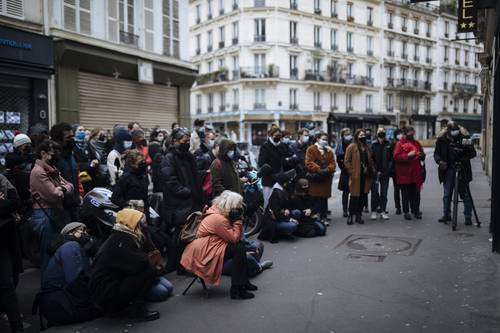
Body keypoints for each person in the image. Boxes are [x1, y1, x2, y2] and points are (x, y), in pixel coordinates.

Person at [181, 191, 257, 300]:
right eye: (238, 205)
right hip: (203, 251)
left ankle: (243, 283)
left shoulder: (219, 211)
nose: (241, 207)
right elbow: (234, 238)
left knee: (240, 247)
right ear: (231, 206)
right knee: (239, 248)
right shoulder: (219, 219)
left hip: (210, 245)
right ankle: (237, 289)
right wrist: (238, 221)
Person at [89, 209, 160, 321]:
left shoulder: (122, 236)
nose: (144, 226)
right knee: (149, 270)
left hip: (108, 289)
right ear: (133, 223)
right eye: (141, 223)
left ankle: (127, 307)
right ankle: (137, 311)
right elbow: (140, 264)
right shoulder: (122, 240)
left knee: (161, 285)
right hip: (107, 294)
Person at [37, 222, 99, 326]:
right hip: (63, 304)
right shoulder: (71, 246)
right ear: (71, 232)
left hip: (59, 303)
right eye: (82, 231)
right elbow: (74, 280)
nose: (85, 234)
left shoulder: (71, 246)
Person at [160, 128, 203, 273]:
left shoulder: (188, 156)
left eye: (188, 141)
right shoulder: (169, 158)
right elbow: (170, 181)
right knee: (181, 236)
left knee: (190, 234)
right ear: (175, 141)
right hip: (178, 203)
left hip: (191, 201)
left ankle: (187, 263)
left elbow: (194, 176)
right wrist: (186, 192)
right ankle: (181, 265)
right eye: (184, 141)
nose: (187, 144)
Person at [30, 140, 74, 272]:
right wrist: (62, 189)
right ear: (43, 153)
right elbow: (53, 195)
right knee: (49, 256)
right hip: (45, 215)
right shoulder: (38, 172)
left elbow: (70, 186)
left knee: (57, 253)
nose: (55, 155)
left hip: (55, 213)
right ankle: (48, 289)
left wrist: (63, 189)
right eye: (52, 153)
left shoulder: (51, 170)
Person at [434, 122, 476, 225]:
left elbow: (472, 153)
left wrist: (464, 158)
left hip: (463, 169)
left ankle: (468, 216)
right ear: (448, 130)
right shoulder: (442, 139)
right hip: (448, 170)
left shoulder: (464, 138)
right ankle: (446, 214)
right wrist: (439, 161)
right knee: (447, 194)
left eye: (455, 130)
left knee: (466, 194)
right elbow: (436, 154)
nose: (454, 132)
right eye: (452, 130)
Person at [0, 174, 24, 333]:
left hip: (4, 240)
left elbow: (15, 201)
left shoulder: (1, 179)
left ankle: (17, 327)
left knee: (8, 282)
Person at [50, 122, 82, 222]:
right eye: (68, 138)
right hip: (60, 207)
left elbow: (75, 176)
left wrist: (78, 195)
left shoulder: (70, 154)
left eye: (72, 137)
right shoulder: (51, 157)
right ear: (58, 139)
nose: (72, 140)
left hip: (74, 203)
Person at [393, 126, 425, 220]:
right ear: (405, 133)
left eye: (412, 132)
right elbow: (396, 157)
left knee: (416, 194)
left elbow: (422, 154)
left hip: (415, 173)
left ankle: (416, 211)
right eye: (409, 132)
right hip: (404, 173)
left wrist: (421, 155)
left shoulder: (417, 143)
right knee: (405, 194)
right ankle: (406, 212)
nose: (411, 134)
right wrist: (407, 155)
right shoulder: (399, 144)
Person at [344, 129, 375, 225]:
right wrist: (351, 172)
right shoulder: (352, 146)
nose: (363, 136)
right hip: (356, 175)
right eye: (361, 135)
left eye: (364, 135)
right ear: (356, 136)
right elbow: (346, 161)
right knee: (354, 197)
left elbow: (371, 160)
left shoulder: (367, 147)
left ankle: (358, 215)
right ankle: (350, 216)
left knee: (363, 196)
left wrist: (372, 169)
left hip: (365, 176)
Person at [258, 169, 298, 243]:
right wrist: (290, 219)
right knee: (292, 225)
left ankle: (283, 230)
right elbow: (276, 213)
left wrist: (287, 209)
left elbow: (288, 204)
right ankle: (279, 231)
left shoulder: (283, 190)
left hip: (281, 215)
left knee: (296, 212)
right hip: (273, 220)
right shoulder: (276, 193)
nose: (289, 182)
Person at [305, 132, 336, 224]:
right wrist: (319, 169)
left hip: (326, 178)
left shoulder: (329, 150)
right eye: (323, 139)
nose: (325, 141)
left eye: (326, 139)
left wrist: (327, 169)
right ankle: (317, 217)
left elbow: (333, 163)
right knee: (316, 198)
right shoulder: (311, 149)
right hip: (316, 178)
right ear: (317, 139)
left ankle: (324, 217)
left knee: (324, 198)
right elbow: (309, 162)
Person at [111, 150, 150, 220]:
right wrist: (128, 203)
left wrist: (147, 216)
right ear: (133, 164)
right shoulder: (126, 178)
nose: (143, 164)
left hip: (141, 216)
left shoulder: (143, 176)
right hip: (129, 217)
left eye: (144, 162)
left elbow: (145, 199)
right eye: (140, 163)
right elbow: (115, 198)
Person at [258, 127, 288, 209]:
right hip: (268, 178)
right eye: (276, 135)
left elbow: (285, 160)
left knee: (279, 199)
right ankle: (267, 218)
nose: (278, 137)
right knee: (267, 200)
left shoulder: (282, 146)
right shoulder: (265, 146)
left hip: (280, 178)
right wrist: (271, 171)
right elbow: (261, 162)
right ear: (270, 136)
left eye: (280, 135)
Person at [5, 134, 35, 214]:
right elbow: (13, 160)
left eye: (29, 145)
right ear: (19, 146)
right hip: (17, 190)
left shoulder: (31, 157)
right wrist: (27, 157)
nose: (28, 147)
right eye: (26, 145)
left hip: (29, 190)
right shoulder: (11, 156)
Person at [370, 128, 393, 220]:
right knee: (374, 193)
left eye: (383, 131)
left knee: (384, 193)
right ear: (377, 133)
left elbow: (391, 159)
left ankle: (383, 211)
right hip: (375, 173)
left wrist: (388, 170)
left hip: (385, 173)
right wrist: (375, 170)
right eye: (379, 131)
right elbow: (371, 159)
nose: (381, 132)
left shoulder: (389, 144)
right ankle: (374, 211)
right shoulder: (373, 144)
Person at [73, 125, 99, 194]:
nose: (82, 132)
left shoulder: (87, 144)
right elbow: (75, 163)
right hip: (80, 178)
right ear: (74, 132)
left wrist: (95, 161)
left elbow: (94, 157)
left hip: (90, 177)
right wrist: (90, 165)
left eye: (83, 130)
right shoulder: (72, 146)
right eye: (80, 130)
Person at [335, 128, 353, 217]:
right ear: (342, 135)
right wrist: (344, 168)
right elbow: (338, 159)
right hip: (345, 171)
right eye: (346, 134)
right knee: (345, 192)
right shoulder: (340, 143)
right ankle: (345, 210)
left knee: (354, 191)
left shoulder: (354, 142)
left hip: (354, 170)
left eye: (349, 133)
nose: (348, 135)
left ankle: (352, 209)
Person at [391, 128, 403, 215]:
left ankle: (405, 206)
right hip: (395, 170)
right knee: (397, 189)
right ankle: (398, 207)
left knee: (404, 190)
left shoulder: (405, 143)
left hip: (404, 170)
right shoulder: (393, 144)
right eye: (399, 134)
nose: (401, 135)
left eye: (401, 133)